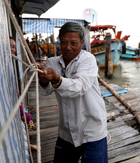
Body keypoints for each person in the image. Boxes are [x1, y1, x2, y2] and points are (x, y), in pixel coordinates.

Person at [37, 22, 108, 163]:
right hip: (66, 132)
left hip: (92, 130)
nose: (68, 47)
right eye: (64, 42)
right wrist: (44, 79)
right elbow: (45, 91)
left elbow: (80, 86)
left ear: (82, 43)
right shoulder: (52, 62)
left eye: (73, 43)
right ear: (59, 42)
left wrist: (56, 78)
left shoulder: (88, 59)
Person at [9, 37, 37, 151]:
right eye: (10, 46)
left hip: (15, 96)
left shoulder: (10, 62)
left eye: (14, 47)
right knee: (27, 118)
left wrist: (20, 98)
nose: (12, 49)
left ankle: (27, 142)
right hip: (12, 99)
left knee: (26, 117)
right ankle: (28, 145)